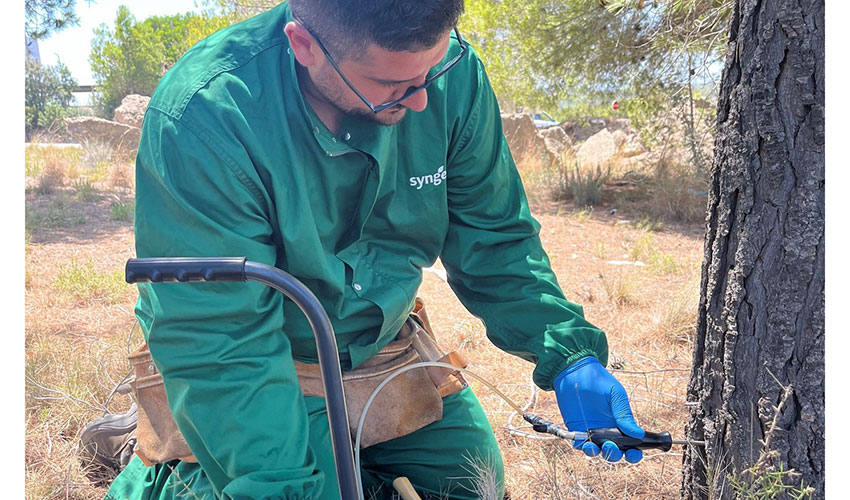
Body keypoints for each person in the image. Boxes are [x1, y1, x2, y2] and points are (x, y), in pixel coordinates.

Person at [104, 1, 645, 499]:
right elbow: (220, 340)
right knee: (287, 485)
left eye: (431, 72)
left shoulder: (450, 77)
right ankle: (162, 463)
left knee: (469, 484)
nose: (421, 100)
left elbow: (495, 238)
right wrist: (277, 483)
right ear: (304, 45)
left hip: (381, 348)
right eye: (390, 84)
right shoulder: (206, 115)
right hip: (263, 356)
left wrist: (567, 353)